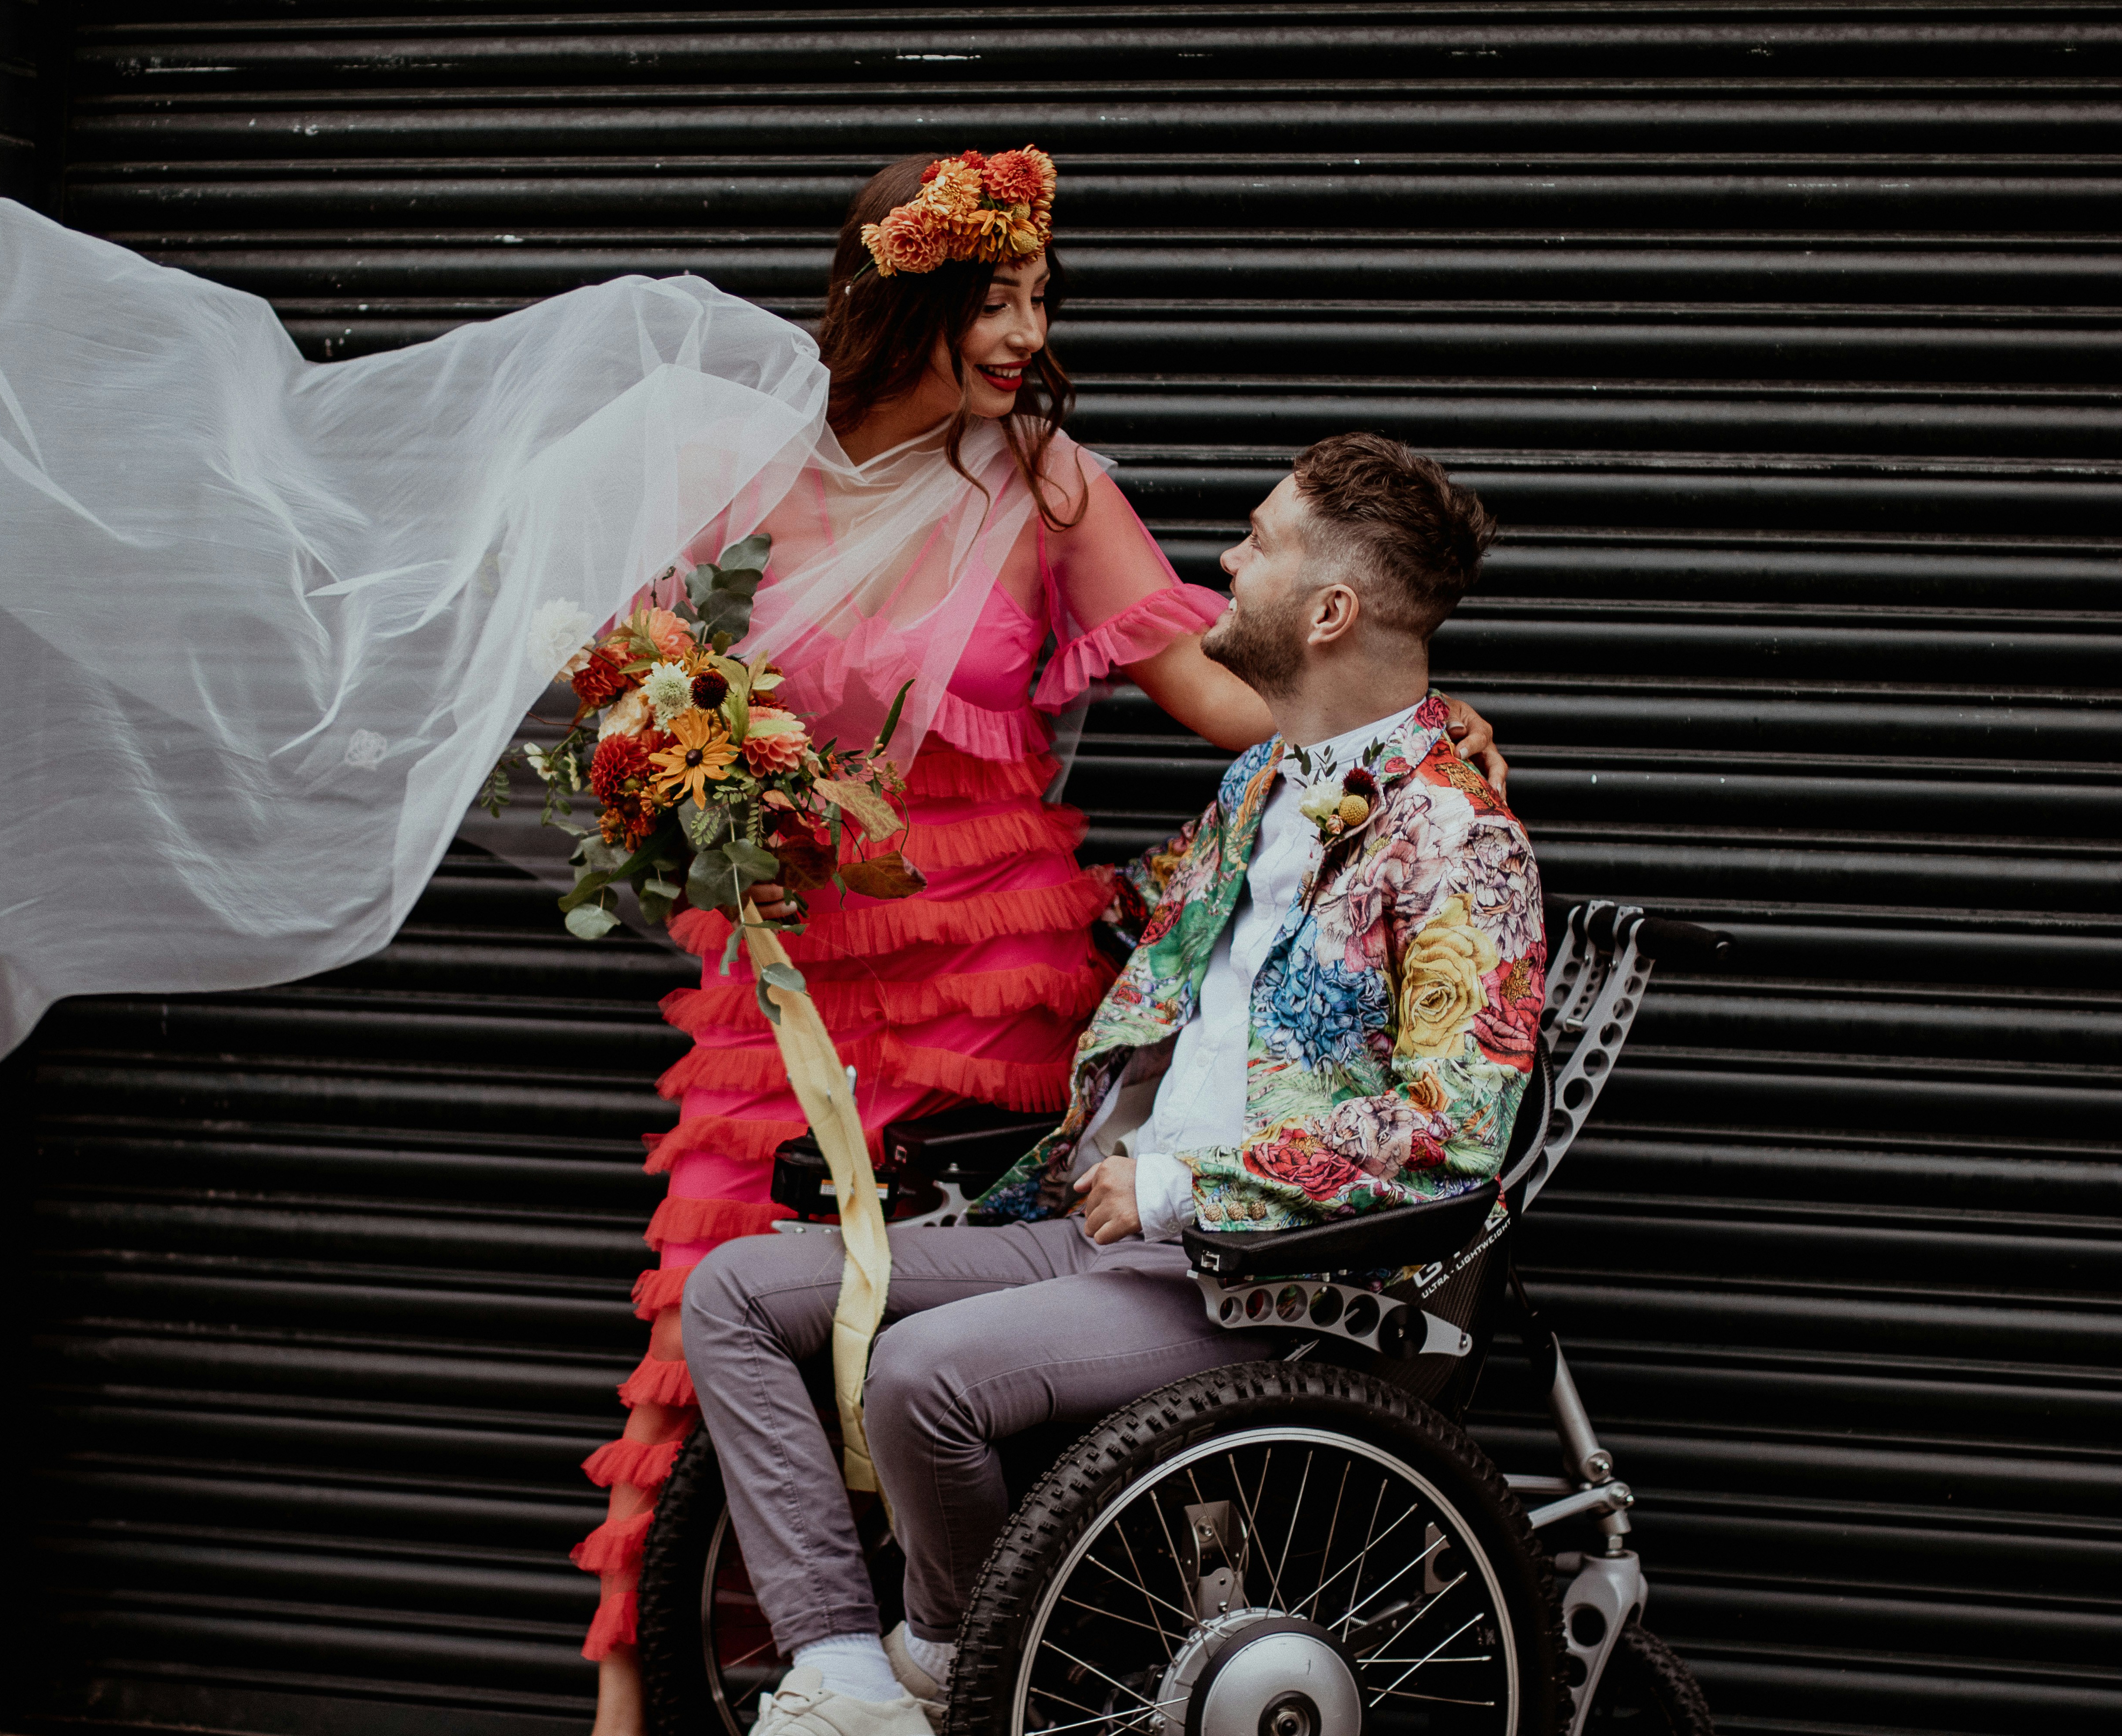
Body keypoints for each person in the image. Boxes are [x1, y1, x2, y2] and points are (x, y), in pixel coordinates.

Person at [569, 151, 1510, 1727]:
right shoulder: (747, 479)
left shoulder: (1050, 484)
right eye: (996, 298)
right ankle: (731, 1688)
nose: (1029, 329)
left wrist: (1423, 746)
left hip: (991, 969)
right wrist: (689, 784)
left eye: (1038, 297)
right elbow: (639, 685)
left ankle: (989, 1673)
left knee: (960, 1377)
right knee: (709, 1313)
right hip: (799, 976)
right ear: (907, 298)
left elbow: (1235, 696)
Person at [679, 432, 1547, 1736]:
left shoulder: (1461, 838)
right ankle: (847, 1673)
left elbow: (1452, 1136)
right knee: (740, 1289)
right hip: (1105, 1235)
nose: (1223, 563)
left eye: (1256, 542)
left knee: (922, 1375)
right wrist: (825, 839)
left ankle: (947, 1667)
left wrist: (1178, 1184)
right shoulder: (1262, 785)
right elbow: (1129, 922)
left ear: (1329, 611)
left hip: (1268, 1280)